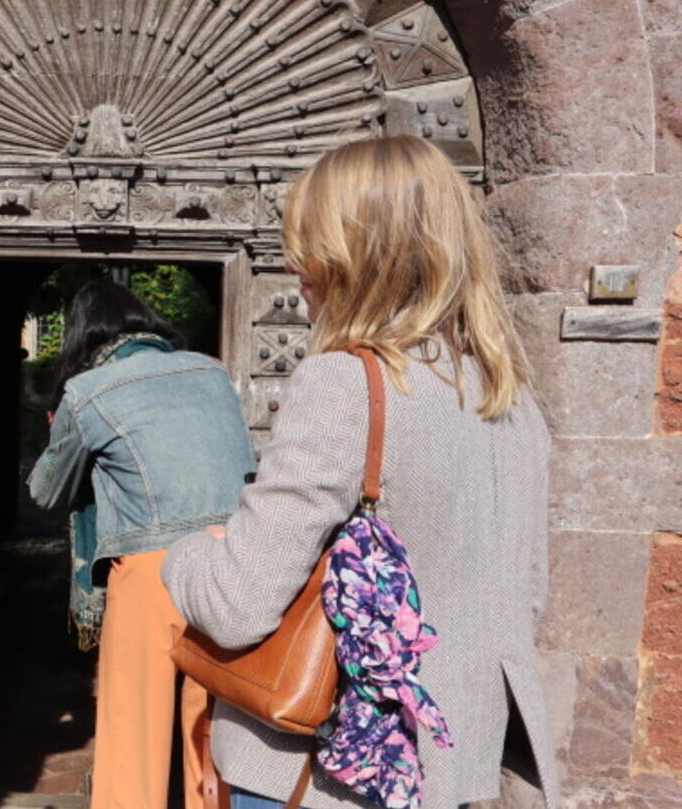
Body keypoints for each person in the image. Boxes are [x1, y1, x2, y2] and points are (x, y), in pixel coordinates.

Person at [162, 135, 560, 809]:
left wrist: (191, 550)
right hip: (452, 769)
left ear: (363, 258)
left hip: (323, 775)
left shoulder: (347, 384)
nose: (297, 267)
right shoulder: (512, 400)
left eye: (313, 244)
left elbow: (235, 608)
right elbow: (524, 601)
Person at [28, 278, 255, 809]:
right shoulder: (211, 370)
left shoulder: (90, 391)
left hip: (152, 570)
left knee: (135, 735)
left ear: (81, 337)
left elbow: (45, 490)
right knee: (215, 733)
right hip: (231, 562)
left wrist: (57, 429)